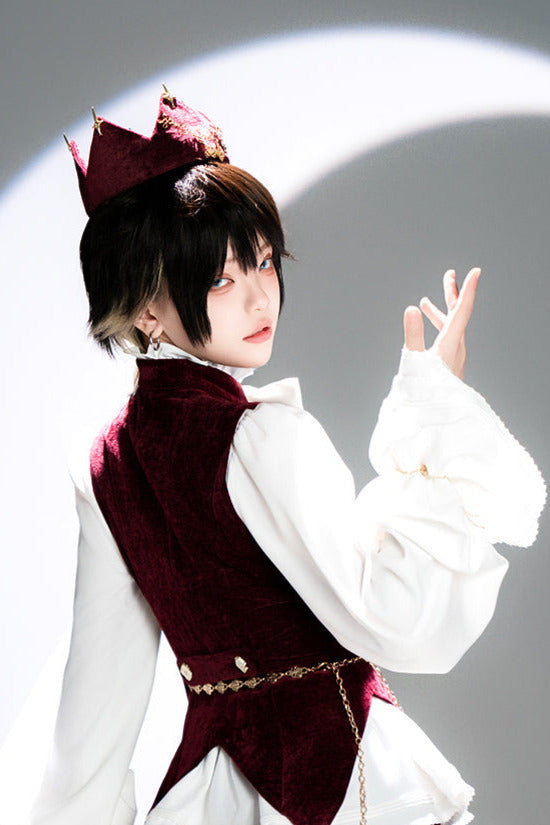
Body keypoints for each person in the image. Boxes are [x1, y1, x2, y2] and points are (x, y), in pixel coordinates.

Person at [31, 89, 545, 825]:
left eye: (263, 262)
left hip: (215, 793)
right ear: (146, 307)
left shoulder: (107, 466)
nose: (258, 298)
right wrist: (436, 414)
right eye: (219, 278)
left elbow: (92, 719)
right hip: (346, 784)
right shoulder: (259, 435)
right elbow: (394, 615)